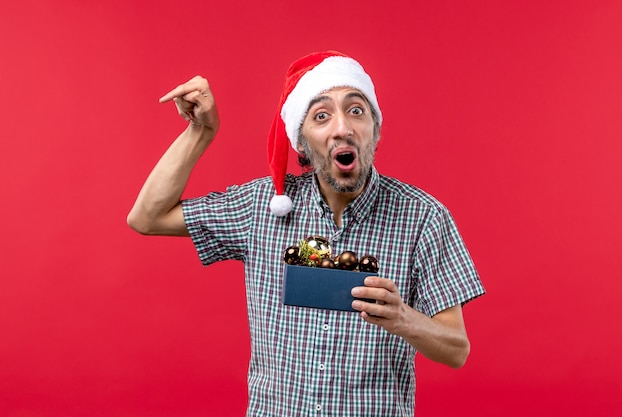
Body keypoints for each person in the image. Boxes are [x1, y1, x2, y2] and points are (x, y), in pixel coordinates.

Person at [128, 50, 485, 416]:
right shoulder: (261, 207)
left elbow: (457, 350)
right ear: (301, 141)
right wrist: (200, 132)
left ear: (375, 131)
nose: (342, 127)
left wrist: (405, 319)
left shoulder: (423, 217)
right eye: (321, 115)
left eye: (356, 110)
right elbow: (147, 217)